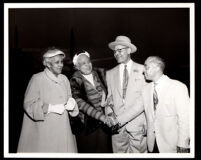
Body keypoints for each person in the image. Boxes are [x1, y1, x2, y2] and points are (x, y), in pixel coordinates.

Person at [17, 47, 79, 153]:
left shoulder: (64, 79)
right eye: (57, 62)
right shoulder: (37, 78)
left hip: (64, 130)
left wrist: (72, 103)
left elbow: (69, 97)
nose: (61, 65)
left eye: (61, 62)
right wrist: (50, 108)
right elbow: (29, 104)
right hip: (45, 131)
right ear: (48, 64)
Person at [105, 35, 147, 153]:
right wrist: (109, 116)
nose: (116, 54)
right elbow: (109, 99)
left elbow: (147, 101)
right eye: (114, 51)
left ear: (129, 50)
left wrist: (148, 122)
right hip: (117, 129)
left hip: (139, 126)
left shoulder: (143, 70)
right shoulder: (109, 73)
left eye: (120, 50)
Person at [143, 56, 190, 153]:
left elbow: (185, 118)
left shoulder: (178, 87)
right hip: (152, 144)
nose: (143, 71)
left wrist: (183, 144)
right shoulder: (145, 89)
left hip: (172, 146)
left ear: (157, 67)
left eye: (146, 67)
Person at [70, 50, 112, 153]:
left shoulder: (102, 74)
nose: (87, 65)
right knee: (89, 151)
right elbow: (81, 104)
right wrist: (101, 117)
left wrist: (108, 105)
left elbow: (111, 92)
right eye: (83, 63)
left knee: (103, 151)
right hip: (87, 125)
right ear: (77, 67)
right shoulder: (74, 81)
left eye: (88, 61)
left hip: (104, 124)